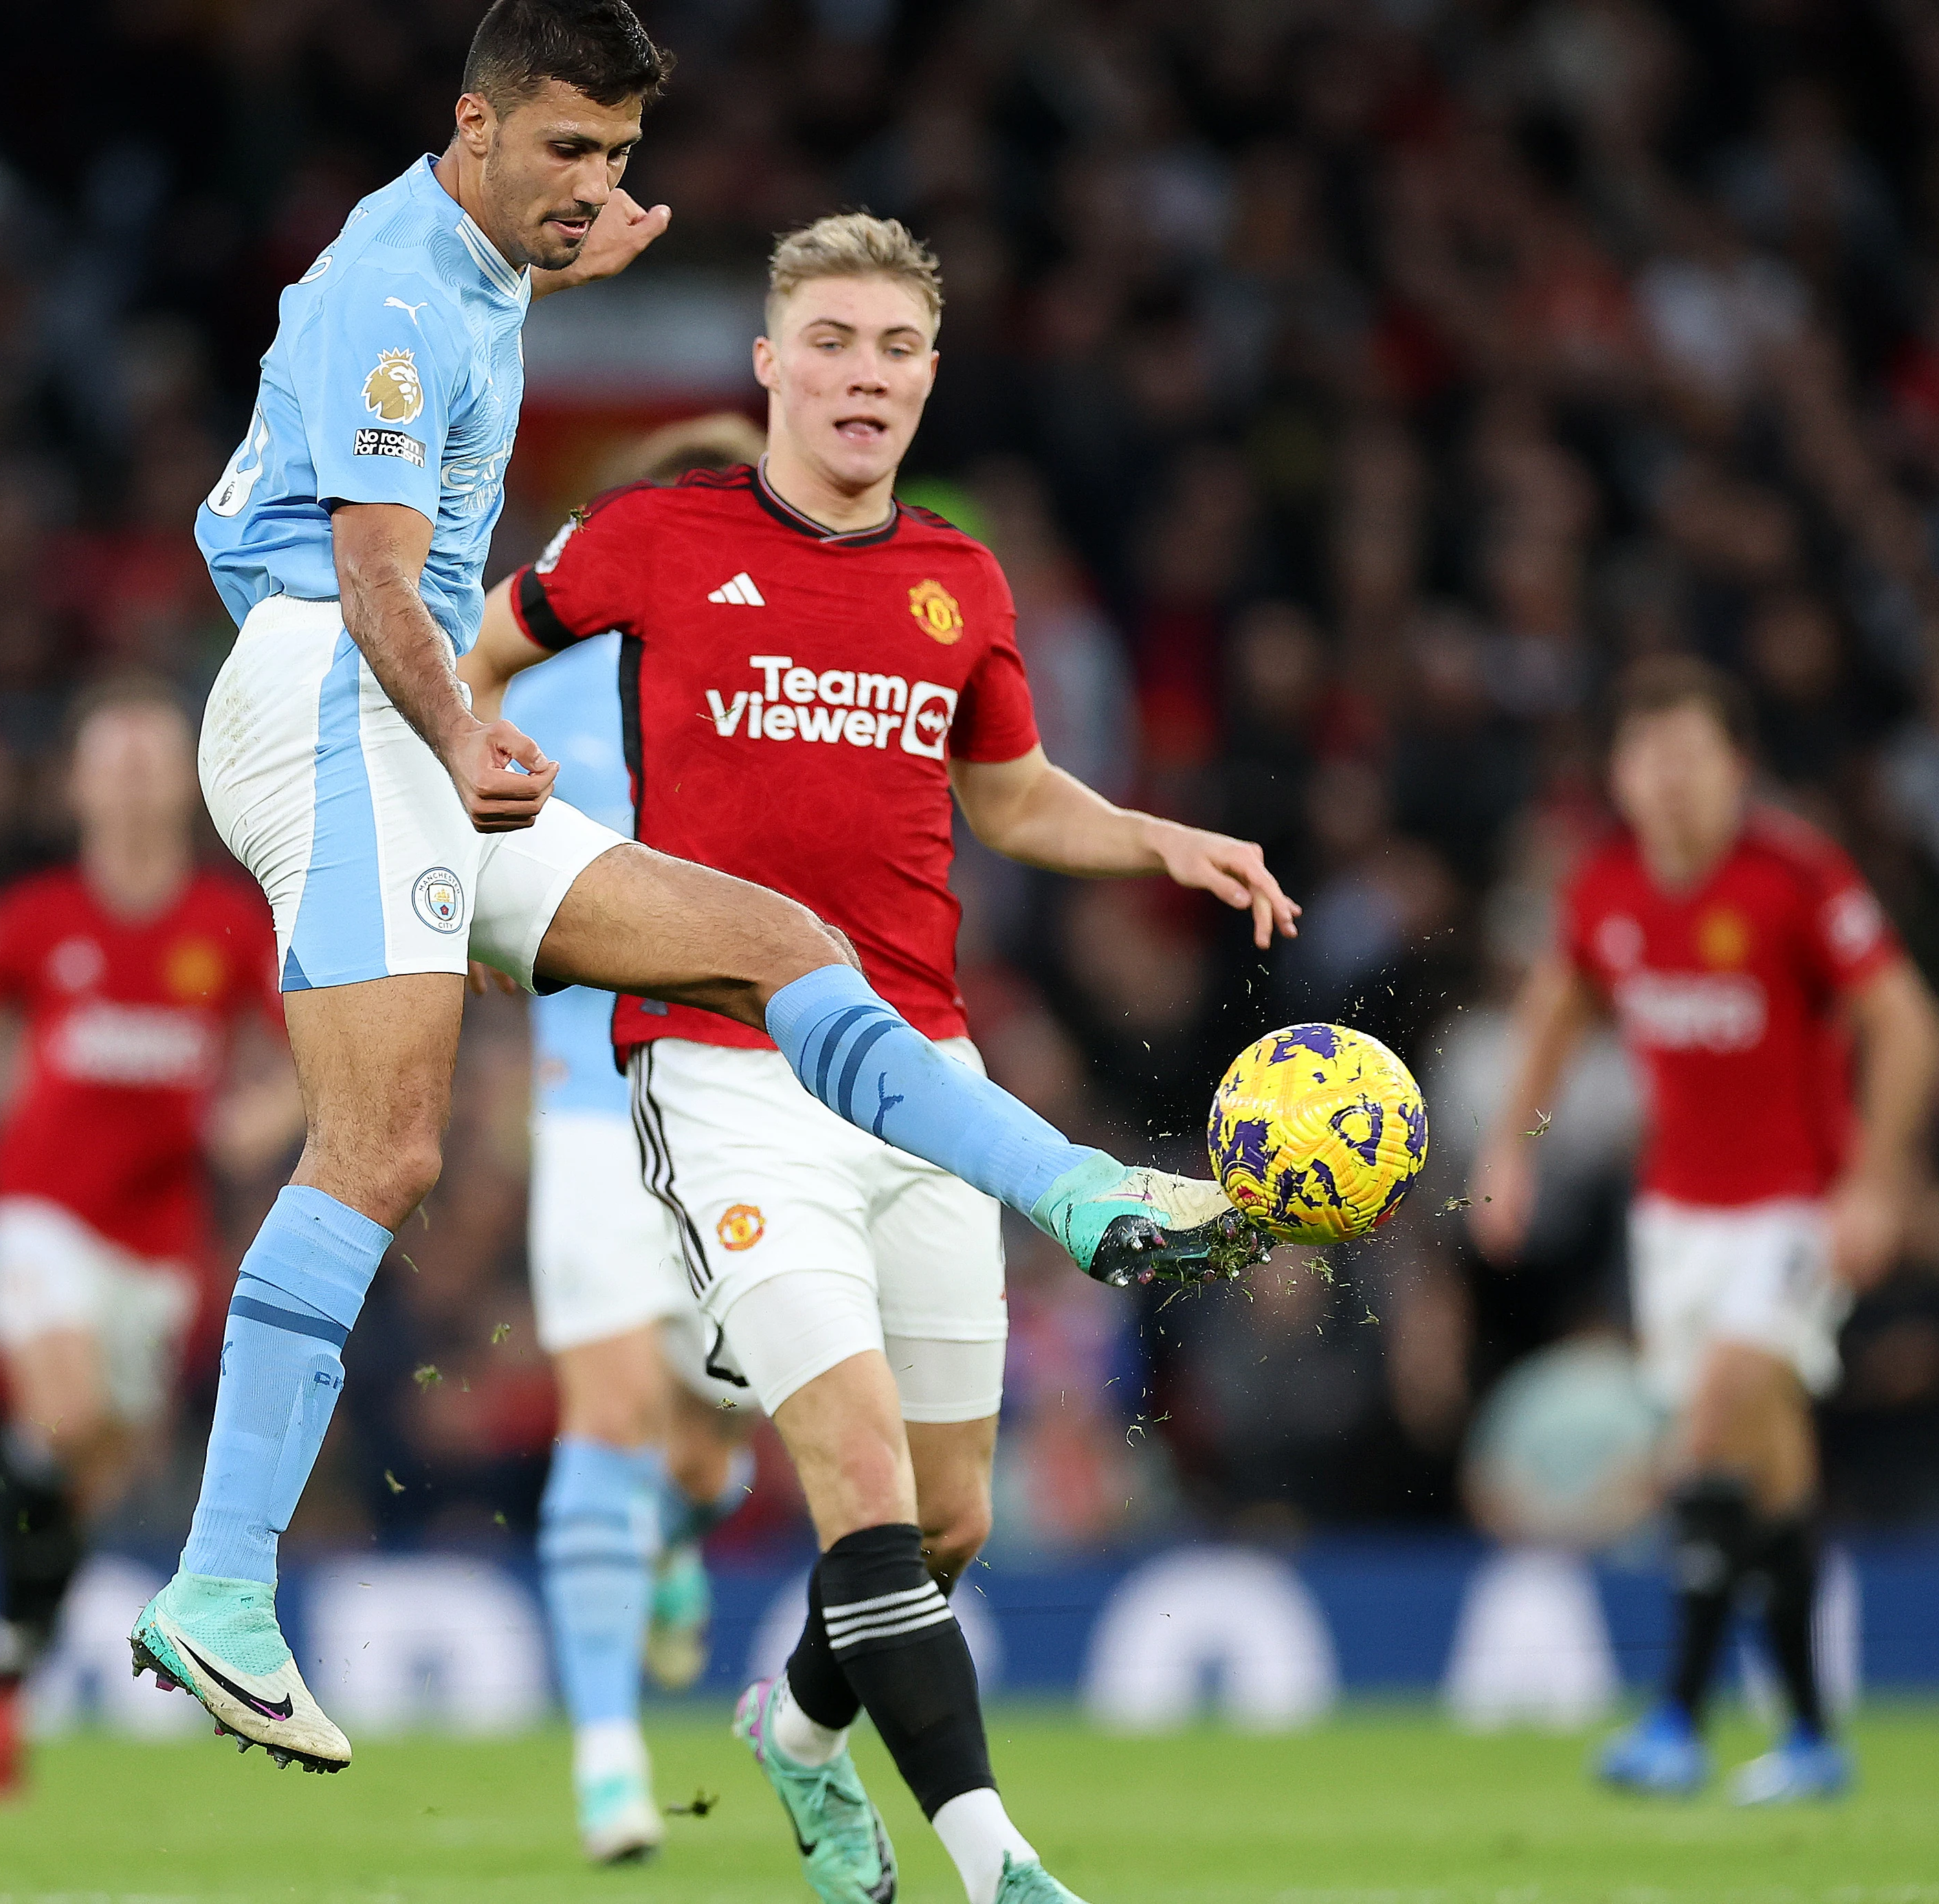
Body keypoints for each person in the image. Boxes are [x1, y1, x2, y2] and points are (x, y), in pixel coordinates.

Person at [142, 0, 1265, 1780]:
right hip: (343, 693)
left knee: (774, 943)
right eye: (566, 154)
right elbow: (373, 580)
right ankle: (215, 1585)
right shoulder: (388, 281)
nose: (593, 187)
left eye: (617, 160)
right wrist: (468, 732)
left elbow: (472, 345)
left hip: (384, 706)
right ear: (473, 121)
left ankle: (1065, 1189)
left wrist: (575, 253)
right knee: (383, 1146)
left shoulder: (478, 256)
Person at [458, 212, 1299, 1904]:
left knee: (945, 1524)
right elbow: (473, 647)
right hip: (718, 1067)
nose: (861, 375)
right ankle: (999, 1866)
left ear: (926, 377)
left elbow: (1005, 796)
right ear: (769, 365)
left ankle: (793, 1733)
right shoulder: (654, 537)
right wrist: (466, 745)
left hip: (922, 1072)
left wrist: (1152, 839)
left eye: (893, 349)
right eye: (829, 342)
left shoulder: (958, 581)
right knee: (852, 1489)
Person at [1468, 657, 1938, 1805]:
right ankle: (1816, 1738)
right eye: (1651, 758)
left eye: (1693, 757)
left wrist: (1877, 1184)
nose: (1672, 782)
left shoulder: (1794, 876)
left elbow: (1906, 1020)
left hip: (1796, 1207)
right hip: (1676, 1219)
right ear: (1622, 775)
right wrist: (1509, 1148)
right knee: (1768, 1477)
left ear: (1736, 766)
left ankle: (1676, 1714)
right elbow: (1554, 1013)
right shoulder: (1608, 888)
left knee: (1715, 1417)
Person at [0, 683, 296, 1802]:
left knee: (84, 1472)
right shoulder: (35, 919)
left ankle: (0, 1669)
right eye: (109, 757)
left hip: (159, 1244)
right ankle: (8, 1649)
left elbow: (316, 1050)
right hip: (38, 1210)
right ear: (75, 784)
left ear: (189, 780)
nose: (128, 777)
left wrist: (252, 1123)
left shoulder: (225, 925)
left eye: (150, 758)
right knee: (65, 1414)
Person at [505, 413, 769, 1865]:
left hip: (743, 1107)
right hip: (587, 1104)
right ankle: (607, 1757)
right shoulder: (534, 685)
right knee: (603, 1414)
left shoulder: (778, 691)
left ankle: (678, 1536)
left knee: (699, 1446)